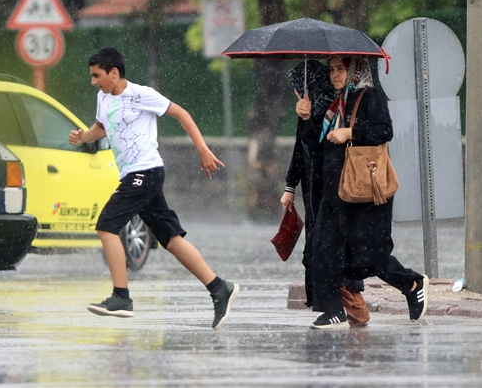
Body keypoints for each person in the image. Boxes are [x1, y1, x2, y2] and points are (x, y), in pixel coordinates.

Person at [69, 47, 239, 330]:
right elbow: (102, 127)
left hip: (145, 171)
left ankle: (121, 297)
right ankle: (220, 287)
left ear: (114, 72)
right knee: (171, 239)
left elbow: (182, 114)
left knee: (107, 225)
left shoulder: (141, 94)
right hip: (135, 175)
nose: (93, 82)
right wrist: (84, 136)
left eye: (97, 75)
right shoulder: (103, 97)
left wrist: (203, 150)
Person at [307, 55, 427, 330]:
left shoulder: (369, 97)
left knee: (370, 256)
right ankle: (333, 311)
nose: (335, 75)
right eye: (332, 70)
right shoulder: (333, 103)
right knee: (324, 251)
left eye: (341, 69)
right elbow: (316, 143)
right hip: (334, 190)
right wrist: (305, 117)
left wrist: (350, 132)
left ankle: (411, 283)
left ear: (355, 71)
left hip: (365, 191)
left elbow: (384, 131)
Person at [280, 60, 370, 328]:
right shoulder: (311, 109)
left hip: (336, 186)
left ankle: (350, 305)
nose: (298, 92)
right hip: (314, 189)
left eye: (300, 87)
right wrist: (289, 187)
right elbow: (301, 148)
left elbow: (321, 149)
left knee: (334, 247)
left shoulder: (337, 106)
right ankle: (328, 306)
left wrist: (311, 120)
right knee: (317, 247)